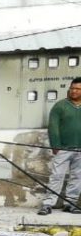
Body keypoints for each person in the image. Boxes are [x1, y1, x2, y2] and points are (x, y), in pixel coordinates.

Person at [38, 77, 81, 215]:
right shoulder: (60, 106)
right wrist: (55, 145)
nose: (74, 91)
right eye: (72, 88)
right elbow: (53, 127)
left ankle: (71, 203)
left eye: (78, 89)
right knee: (57, 175)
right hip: (63, 148)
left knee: (77, 176)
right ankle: (48, 203)